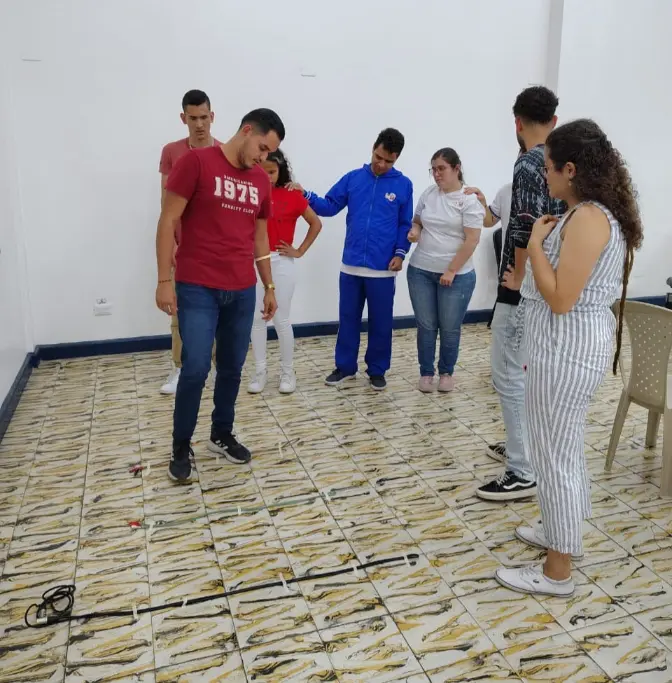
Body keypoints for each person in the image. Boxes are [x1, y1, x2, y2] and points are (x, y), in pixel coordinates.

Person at [495, 119, 643, 597]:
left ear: (572, 170)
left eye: (551, 169)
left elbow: (560, 298)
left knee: (552, 456)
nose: (546, 178)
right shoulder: (587, 213)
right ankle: (563, 531)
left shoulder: (589, 218)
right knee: (562, 447)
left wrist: (535, 244)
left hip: (567, 348)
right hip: (567, 345)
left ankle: (557, 571)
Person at [155, 108, 285, 483]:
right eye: (261, 147)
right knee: (195, 367)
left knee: (231, 366)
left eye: (268, 152)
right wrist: (164, 279)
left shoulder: (260, 180)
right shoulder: (196, 163)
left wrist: (269, 285)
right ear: (246, 130)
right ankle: (181, 444)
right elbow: (167, 220)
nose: (263, 157)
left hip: (242, 288)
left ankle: (221, 433)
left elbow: (260, 237)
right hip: (197, 286)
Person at [468, 86, 566, 501]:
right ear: (554, 121)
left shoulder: (528, 161)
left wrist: (519, 278)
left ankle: (522, 469)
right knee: (523, 372)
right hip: (550, 282)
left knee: (507, 374)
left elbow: (526, 226)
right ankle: (521, 444)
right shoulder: (562, 163)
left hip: (523, 287)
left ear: (517, 122)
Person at [288, 129, 413, 391]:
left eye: (388, 161)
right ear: (373, 148)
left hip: (382, 269)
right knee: (348, 319)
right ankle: (345, 367)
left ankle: (377, 370)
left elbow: (405, 224)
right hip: (351, 267)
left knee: (381, 323)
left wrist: (401, 253)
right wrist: (305, 194)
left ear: (396, 158)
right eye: (378, 157)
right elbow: (329, 206)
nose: (381, 164)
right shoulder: (353, 179)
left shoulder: (403, 185)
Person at [407, 148, 484, 393]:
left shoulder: (468, 199)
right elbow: (417, 220)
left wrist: (450, 270)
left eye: (441, 168)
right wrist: (415, 232)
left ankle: (447, 372)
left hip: (457, 275)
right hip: (421, 269)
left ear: (456, 168)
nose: (437, 174)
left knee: (449, 326)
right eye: (433, 169)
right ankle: (426, 372)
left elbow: (472, 239)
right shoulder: (429, 194)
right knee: (426, 325)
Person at [158, 90, 220, 394]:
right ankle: (179, 368)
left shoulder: (225, 152)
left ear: (213, 116)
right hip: (184, 249)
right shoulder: (172, 152)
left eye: (204, 117)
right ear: (184, 118)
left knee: (221, 310)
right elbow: (166, 206)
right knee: (180, 311)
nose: (199, 124)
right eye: (193, 118)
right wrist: (169, 248)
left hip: (218, 250)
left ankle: (217, 366)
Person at [248, 149, 322, 394]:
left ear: (280, 171)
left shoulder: (291, 196)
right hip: (255, 261)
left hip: (282, 262)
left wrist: (299, 250)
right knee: (257, 319)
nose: (267, 176)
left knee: (281, 319)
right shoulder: (250, 192)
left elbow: (316, 222)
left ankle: (288, 372)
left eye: (272, 172)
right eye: (263, 171)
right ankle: (260, 371)